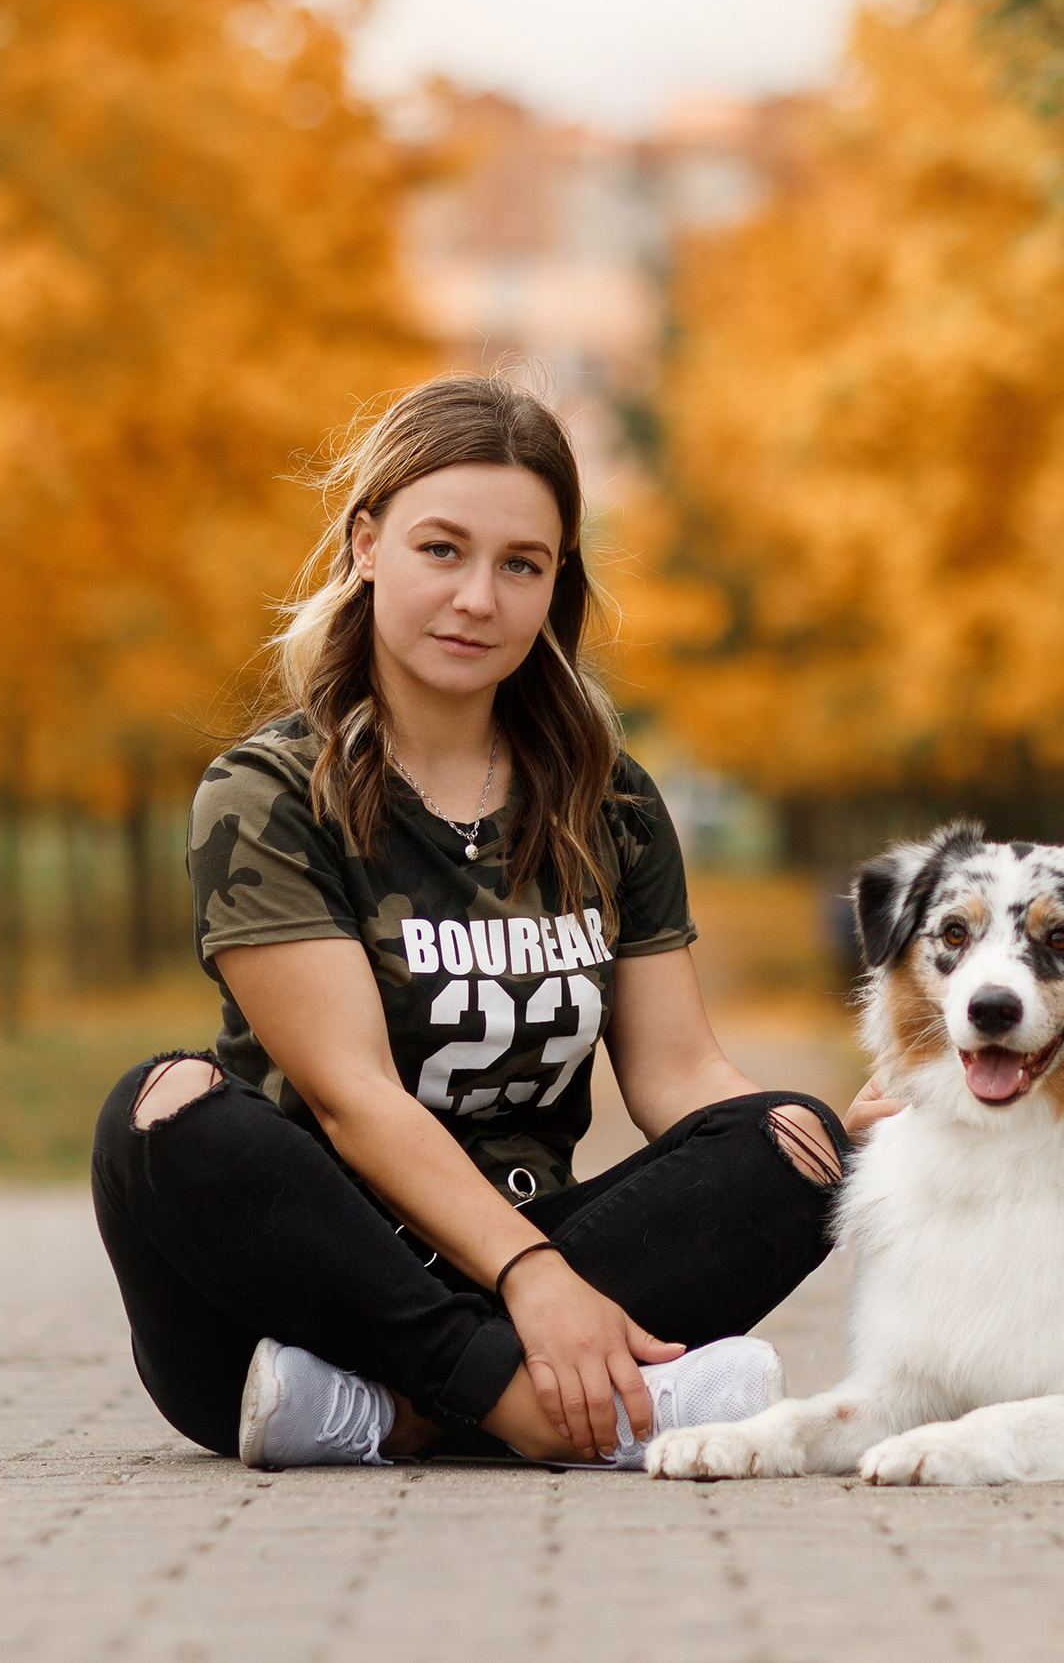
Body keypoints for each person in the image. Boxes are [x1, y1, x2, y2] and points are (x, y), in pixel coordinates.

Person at [89, 376, 896, 1470]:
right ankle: (543, 1411)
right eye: (441, 550)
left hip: (543, 1261)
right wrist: (533, 1279)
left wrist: (839, 1140)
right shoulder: (269, 796)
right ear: (366, 543)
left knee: (793, 1139)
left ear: (555, 584)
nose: (478, 598)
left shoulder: (608, 804)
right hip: (292, 1297)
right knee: (162, 1109)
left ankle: (397, 1414)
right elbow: (352, 1097)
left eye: (521, 564)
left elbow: (675, 1076)